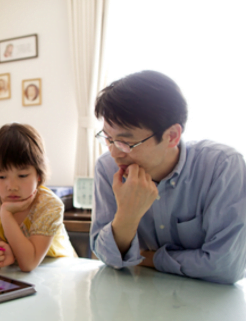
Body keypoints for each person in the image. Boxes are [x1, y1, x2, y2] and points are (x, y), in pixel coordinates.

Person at [90, 70, 246, 284]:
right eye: (108, 139)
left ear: (171, 136)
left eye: (126, 142)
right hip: (138, 300)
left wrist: (149, 258)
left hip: (208, 304)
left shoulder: (222, 166)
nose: (115, 152)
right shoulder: (108, 169)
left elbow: (226, 266)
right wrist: (127, 215)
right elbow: (104, 255)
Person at [0, 123, 76, 272]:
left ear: (39, 175)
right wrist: (6, 253)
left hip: (63, 271)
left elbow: (28, 264)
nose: (12, 186)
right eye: (1, 176)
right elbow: (4, 251)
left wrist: (6, 213)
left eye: (22, 175)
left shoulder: (50, 205)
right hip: (21, 275)